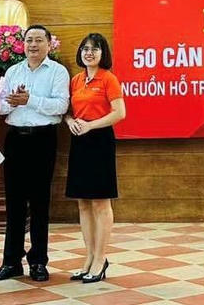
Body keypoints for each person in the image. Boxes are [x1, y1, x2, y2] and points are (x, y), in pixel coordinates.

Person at [0, 24, 70, 283]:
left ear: (48, 44)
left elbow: (61, 106)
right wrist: (9, 103)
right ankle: (11, 262)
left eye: (38, 40)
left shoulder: (57, 71)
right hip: (15, 139)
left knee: (40, 202)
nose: (33, 45)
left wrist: (29, 100)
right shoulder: (13, 71)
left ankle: (38, 262)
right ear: (22, 45)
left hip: (43, 139)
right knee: (14, 202)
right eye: (29, 40)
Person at [63, 33, 125, 284]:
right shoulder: (76, 80)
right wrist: (70, 121)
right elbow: (68, 110)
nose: (89, 53)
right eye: (85, 49)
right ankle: (88, 257)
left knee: (100, 203)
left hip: (100, 141)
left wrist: (91, 125)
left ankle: (100, 258)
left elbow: (119, 113)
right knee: (83, 203)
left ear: (103, 53)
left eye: (95, 49)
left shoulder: (108, 78)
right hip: (79, 141)